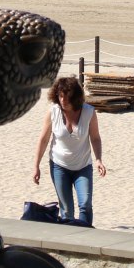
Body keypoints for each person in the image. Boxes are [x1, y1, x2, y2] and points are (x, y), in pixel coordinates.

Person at [31, 76, 106, 226]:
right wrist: (36, 166)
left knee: (85, 204)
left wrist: (98, 159)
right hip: (59, 166)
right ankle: (70, 241)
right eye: (60, 96)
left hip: (83, 166)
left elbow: (95, 138)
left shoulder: (89, 112)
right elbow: (44, 139)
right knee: (66, 209)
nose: (63, 100)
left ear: (75, 96)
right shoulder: (53, 112)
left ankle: (85, 238)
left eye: (67, 96)